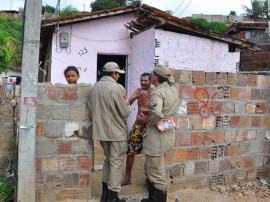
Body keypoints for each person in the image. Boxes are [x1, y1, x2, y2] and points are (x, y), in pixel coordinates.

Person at [87, 62, 132, 202]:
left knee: (108, 161)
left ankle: (104, 196)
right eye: (118, 74)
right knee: (116, 163)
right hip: (116, 132)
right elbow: (125, 112)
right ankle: (113, 198)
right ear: (114, 74)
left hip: (101, 132)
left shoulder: (94, 88)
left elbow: (89, 110)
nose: (118, 76)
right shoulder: (117, 88)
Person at [141, 65, 179, 202]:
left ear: (155, 77)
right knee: (151, 167)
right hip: (168, 134)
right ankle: (152, 198)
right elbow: (171, 82)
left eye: (152, 75)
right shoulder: (173, 89)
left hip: (157, 137)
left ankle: (158, 200)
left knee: (156, 172)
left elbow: (157, 113)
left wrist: (154, 121)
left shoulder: (158, 92)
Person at [122, 73, 153, 186]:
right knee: (130, 151)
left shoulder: (155, 94)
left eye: (145, 80)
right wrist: (136, 96)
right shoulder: (138, 90)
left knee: (151, 153)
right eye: (142, 80)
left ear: (150, 81)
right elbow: (127, 103)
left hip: (150, 128)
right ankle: (127, 177)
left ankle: (150, 180)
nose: (143, 82)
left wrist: (147, 112)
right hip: (138, 126)